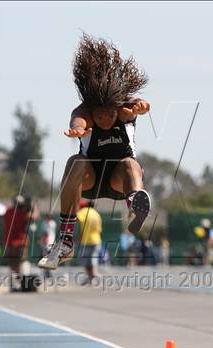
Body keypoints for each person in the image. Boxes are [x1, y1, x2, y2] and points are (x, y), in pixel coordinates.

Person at [38, 34, 152, 270]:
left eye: (110, 114)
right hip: (91, 179)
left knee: (131, 164)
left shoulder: (124, 109)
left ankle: (135, 204)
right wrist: (78, 131)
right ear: (93, 109)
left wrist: (142, 107)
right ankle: (66, 241)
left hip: (119, 179)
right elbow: (78, 121)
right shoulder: (84, 111)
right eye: (99, 115)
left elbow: (139, 105)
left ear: (116, 108)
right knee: (75, 161)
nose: (105, 120)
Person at [3, 195, 37, 291]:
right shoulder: (22, 213)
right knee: (23, 262)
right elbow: (34, 218)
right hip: (20, 242)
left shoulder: (7, 212)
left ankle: (13, 285)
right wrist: (33, 208)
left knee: (12, 265)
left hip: (9, 242)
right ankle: (25, 284)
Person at [77, 199, 102, 284]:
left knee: (86, 260)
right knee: (92, 259)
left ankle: (94, 275)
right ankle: (92, 276)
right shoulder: (97, 214)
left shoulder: (84, 211)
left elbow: (76, 218)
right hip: (97, 239)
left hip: (86, 240)